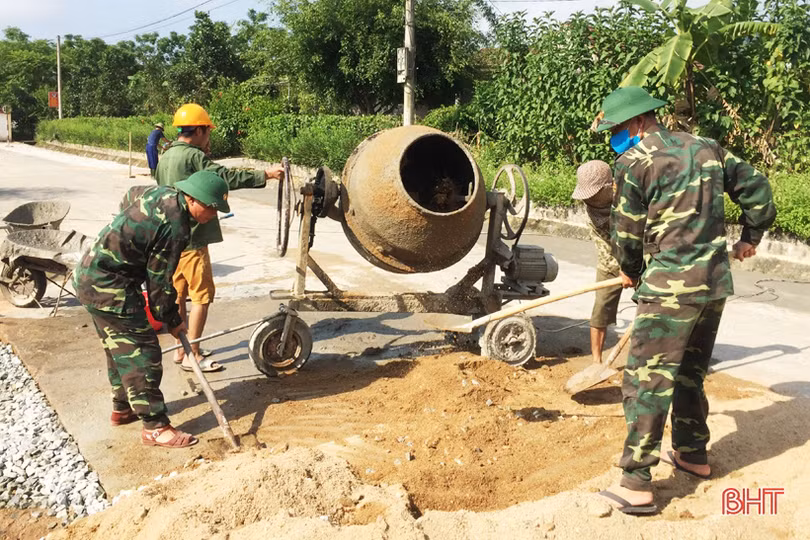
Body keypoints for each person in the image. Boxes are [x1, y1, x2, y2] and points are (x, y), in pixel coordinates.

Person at [593, 86, 776, 514]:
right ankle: (693, 455)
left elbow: (627, 232)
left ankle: (636, 481)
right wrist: (751, 236)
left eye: (618, 129)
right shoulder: (707, 147)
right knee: (691, 372)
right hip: (712, 285)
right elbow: (759, 192)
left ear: (638, 122)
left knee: (647, 380)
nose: (616, 137)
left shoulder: (633, 164)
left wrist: (630, 270)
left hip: (669, 290)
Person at [74, 171, 231, 449]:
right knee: (142, 351)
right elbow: (160, 283)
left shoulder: (161, 193)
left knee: (118, 346)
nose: (213, 215)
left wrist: (130, 235)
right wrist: (173, 319)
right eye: (211, 207)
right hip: (109, 285)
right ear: (193, 199)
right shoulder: (176, 226)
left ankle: (123, 409)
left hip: (90, 273)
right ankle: (155, 427)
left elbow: (130, 194)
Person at [155, 103, 285, 373]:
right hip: (193, 238)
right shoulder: (192, 156)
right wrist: (266, 174)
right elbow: (224, 177)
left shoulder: (166, 155)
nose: (208, 137)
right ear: (199, 129)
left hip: (170, 238)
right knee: (201, 296)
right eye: (207, 132)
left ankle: (181, 349)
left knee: (178, 295)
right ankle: (195, 353)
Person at [572, 159, 623, 365]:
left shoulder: (629, 195)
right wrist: (621, 270)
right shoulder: (593, 211)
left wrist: (635, 268)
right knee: (600, 310)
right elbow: (608, 247)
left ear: (608, 187)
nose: (589, 199)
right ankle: (596, 362)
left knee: (650, 308)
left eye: (594, 193)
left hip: (641, 258)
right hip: (610, 263)